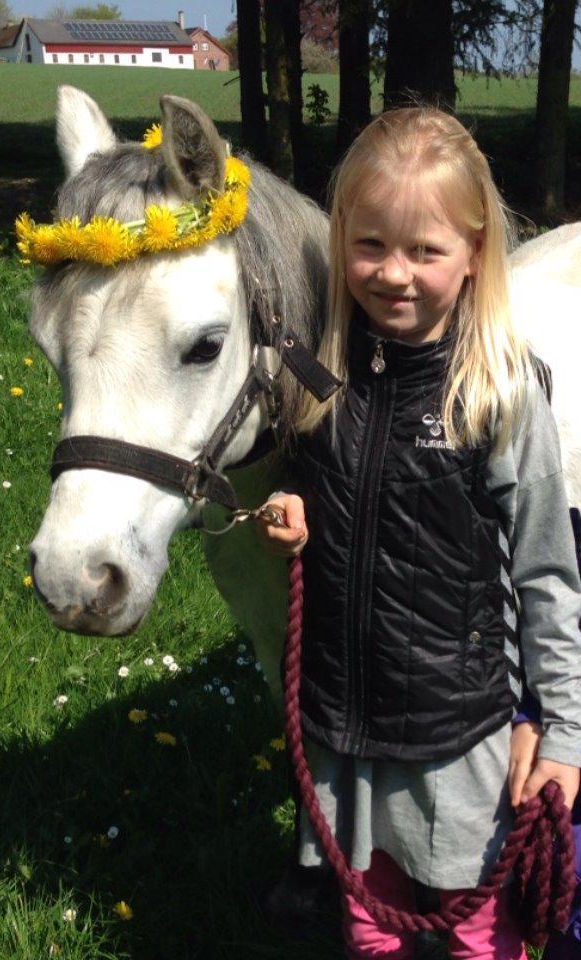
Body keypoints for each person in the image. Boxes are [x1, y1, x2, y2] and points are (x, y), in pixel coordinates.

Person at [256, 106, 581, 960]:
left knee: (480, 934)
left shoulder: (500, 393)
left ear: (474, 254)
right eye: (369, 247)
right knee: (370, 925)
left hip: (460, 735)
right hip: (345, 726)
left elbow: (549, 575)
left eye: (425, 251)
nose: (393, 274)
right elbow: (337, 482)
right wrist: (295, 508)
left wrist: (563, 733)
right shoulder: (319, 378)